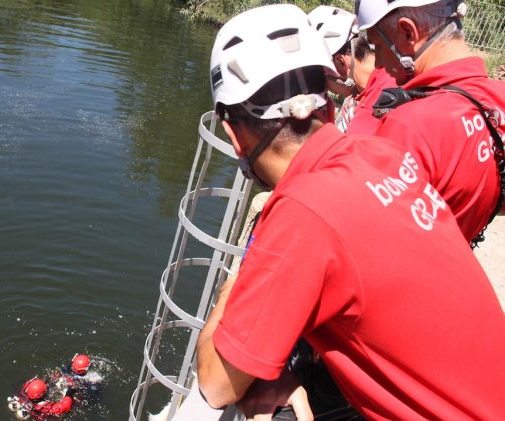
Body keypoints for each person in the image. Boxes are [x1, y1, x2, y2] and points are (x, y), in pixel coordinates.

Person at [195, 4, 505, 420]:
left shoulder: (305, 210)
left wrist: (235, 283)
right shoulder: (381, 154)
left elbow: (215, 383)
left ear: (233, 133)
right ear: (325, 102)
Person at [354, 0, 505, 246]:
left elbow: (373, 239)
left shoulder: (410, 126)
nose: (379, 63)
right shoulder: (499, 98)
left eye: (378, 45)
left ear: (407, 33)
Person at [307, 6, 395, 134]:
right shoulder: (363, 95)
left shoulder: (378, 104)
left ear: (340, 62)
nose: (330, 91)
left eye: (325, 82)